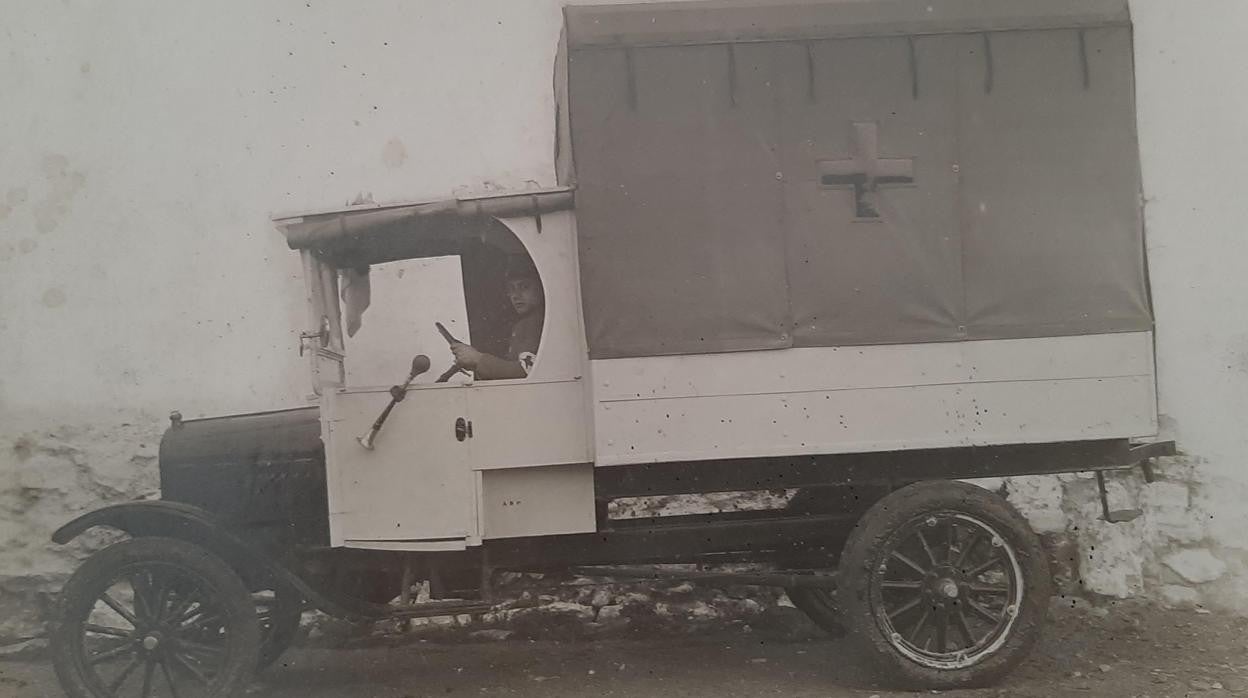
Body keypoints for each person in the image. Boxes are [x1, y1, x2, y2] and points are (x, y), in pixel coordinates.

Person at [450, 256, 545, 380]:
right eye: (511, 289)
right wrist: (474, 362)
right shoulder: (526, 322)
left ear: (540, 288)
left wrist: (477, 359)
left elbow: (525, 371)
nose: (516, 295)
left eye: (524, 287)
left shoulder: (536, 323)